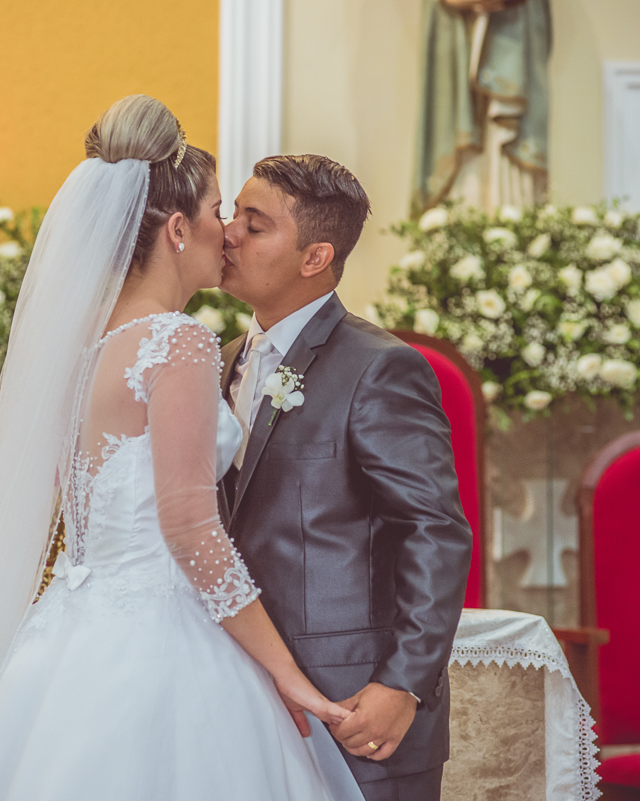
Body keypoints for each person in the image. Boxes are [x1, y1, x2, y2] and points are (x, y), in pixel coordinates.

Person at [0, 95, 365, 801]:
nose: (229, 232)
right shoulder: (176, 341)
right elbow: (189, 527)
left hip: (71, 636)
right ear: (178, 230)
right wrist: (285, 672)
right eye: (219, 211)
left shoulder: (82, 348)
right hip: (162, 637)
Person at [219, 154, 473, 801]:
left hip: (354, 704)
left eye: (254, 224)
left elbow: (434, 531)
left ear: (315, 257)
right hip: (232, 691)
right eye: (231, 215)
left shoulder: (380, 367)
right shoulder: (216, 363)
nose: (228, 233)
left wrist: (402, 684)